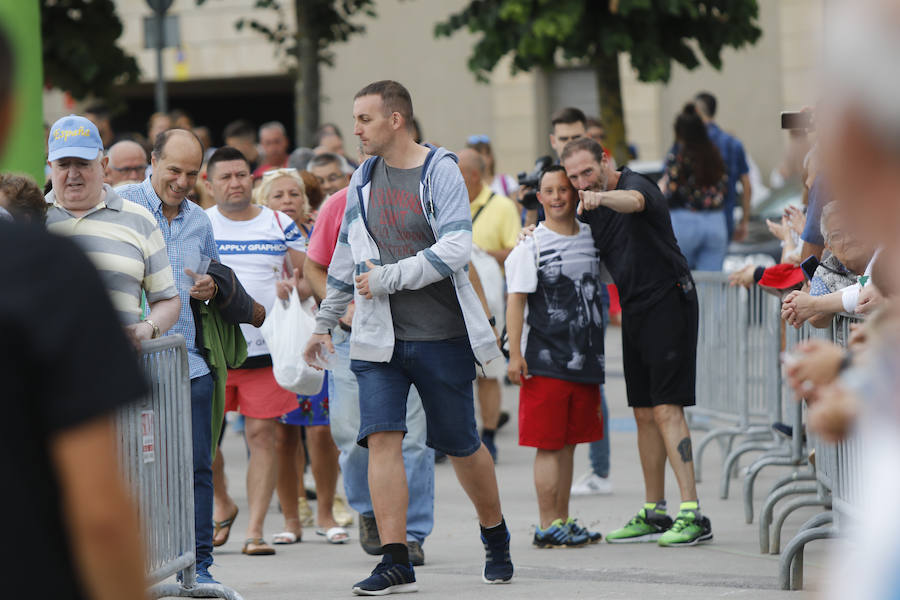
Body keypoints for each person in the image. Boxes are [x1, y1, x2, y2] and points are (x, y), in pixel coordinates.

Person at [303, 80, 513, 594]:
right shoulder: (362, 179)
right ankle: (396, 560)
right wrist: (324, 322)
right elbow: (346, 260)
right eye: (354, 119)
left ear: (395, 120)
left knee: (463, 445)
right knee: (382, 440)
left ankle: (495, 531)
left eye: (365, 119)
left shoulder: (440, 170)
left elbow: (458, 248)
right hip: (379, 342)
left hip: (441, 336)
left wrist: (390, 277)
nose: (356, 130)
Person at [561, 136, 712, 547]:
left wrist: (600, 198)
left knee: (666, 408)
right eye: (574, 177)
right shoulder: (589, 208)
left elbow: (634, 202)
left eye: (587, 172)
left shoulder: (635, 184)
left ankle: (692, 513)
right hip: (635, 309)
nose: (581, 183)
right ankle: (654, 511)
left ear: (605, 160)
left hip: (670, 299)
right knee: (643, 412)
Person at [116, 128, 223, 583]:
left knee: (196, 468)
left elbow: (215, 272)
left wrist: (212, 287)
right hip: (128, 366)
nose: (182, 181)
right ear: (153, 162)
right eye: (173, 170)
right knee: (136, 470)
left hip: (188, 365)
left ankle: (199, 568)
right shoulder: (118, 206)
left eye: (192, 173)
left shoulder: (200, 220)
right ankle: (137, 567)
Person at [204, 146, 308, 556]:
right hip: (214, 351)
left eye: (242, 175)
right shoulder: (200, 223)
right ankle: (223, 503)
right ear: (209, 185)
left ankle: (255, 529)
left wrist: (295, 289)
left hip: (267, 350)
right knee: (205, 442)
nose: (235, 182)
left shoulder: (279, 223)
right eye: (226, 176)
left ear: (253, 180)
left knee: (262, 436)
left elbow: (309, 275)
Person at [505, 165, 604, 548]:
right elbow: (516, 301)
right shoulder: (530, 244)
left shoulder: (592, 238)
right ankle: (547, 524)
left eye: (565, 188)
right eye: (550, 190)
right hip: (544, 359)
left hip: (585, 359)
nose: (559, 196)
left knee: (570, 443)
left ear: (576, 193)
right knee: (548, 444)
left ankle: (563, 519)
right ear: (540, 197)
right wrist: (514, 355)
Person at [255, 167, 350, 544]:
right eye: (278, 196)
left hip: (321, 339)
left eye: (293, 194)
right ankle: (292, 518)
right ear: (266, 202)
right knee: (282, 436)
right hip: (277, 347)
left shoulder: (318, 234)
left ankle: (326, 512)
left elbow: (334, 278)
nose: (288, 201)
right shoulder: (262, 236)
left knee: (322, 430)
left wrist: (308, 287)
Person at [45, 114, 181, 346]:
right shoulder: (30, 219)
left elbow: (168, 300)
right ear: (50, 168)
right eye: (63, 165)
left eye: (82, 163)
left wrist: (146, 329)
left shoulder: (140, 219)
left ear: (104, 166)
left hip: (117, 370)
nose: (73, 173)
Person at [458, 147, 520, 460]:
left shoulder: (503, 207)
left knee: (488, 373)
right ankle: (457, 435)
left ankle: (490, 435)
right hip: (452, 301)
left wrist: (480, 252)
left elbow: (515, 251)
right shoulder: (445, 203)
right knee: (454, 374)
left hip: (489, 301)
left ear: (472, 175)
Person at [659, 104, 729, 271]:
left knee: (681, 277)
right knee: (711, 284)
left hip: (684, 220)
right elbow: (724, 186)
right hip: (715, 220)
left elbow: (671, 189)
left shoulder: (678, 156)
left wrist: (662, 186)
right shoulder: (715, 155)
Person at [694, 91, 751, 241]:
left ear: (697, 111)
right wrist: (744, 222)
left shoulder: (688, 144)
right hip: (723, 220)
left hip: (692, 221)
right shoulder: (733, 143)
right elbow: (746, 184)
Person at [466, 135, 518, 199]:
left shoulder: (507, 182)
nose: (481, 158)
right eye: (477, 154)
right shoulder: (465, 187)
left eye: (485, 153)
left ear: (491, 157)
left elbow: (516, 208)